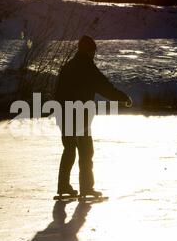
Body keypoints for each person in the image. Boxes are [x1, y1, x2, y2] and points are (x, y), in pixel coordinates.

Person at [54, 35, 132, 198]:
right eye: (93, 51)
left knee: (69, 149)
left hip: (64, 113)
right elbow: (105, 87)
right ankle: (87, 188)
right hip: (79, 115)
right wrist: (123, 98)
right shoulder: (88, 68)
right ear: (89, 51)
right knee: (86, 151)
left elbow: (57, 92)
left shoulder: (68, 66)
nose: (94, 54)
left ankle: (63, 186)